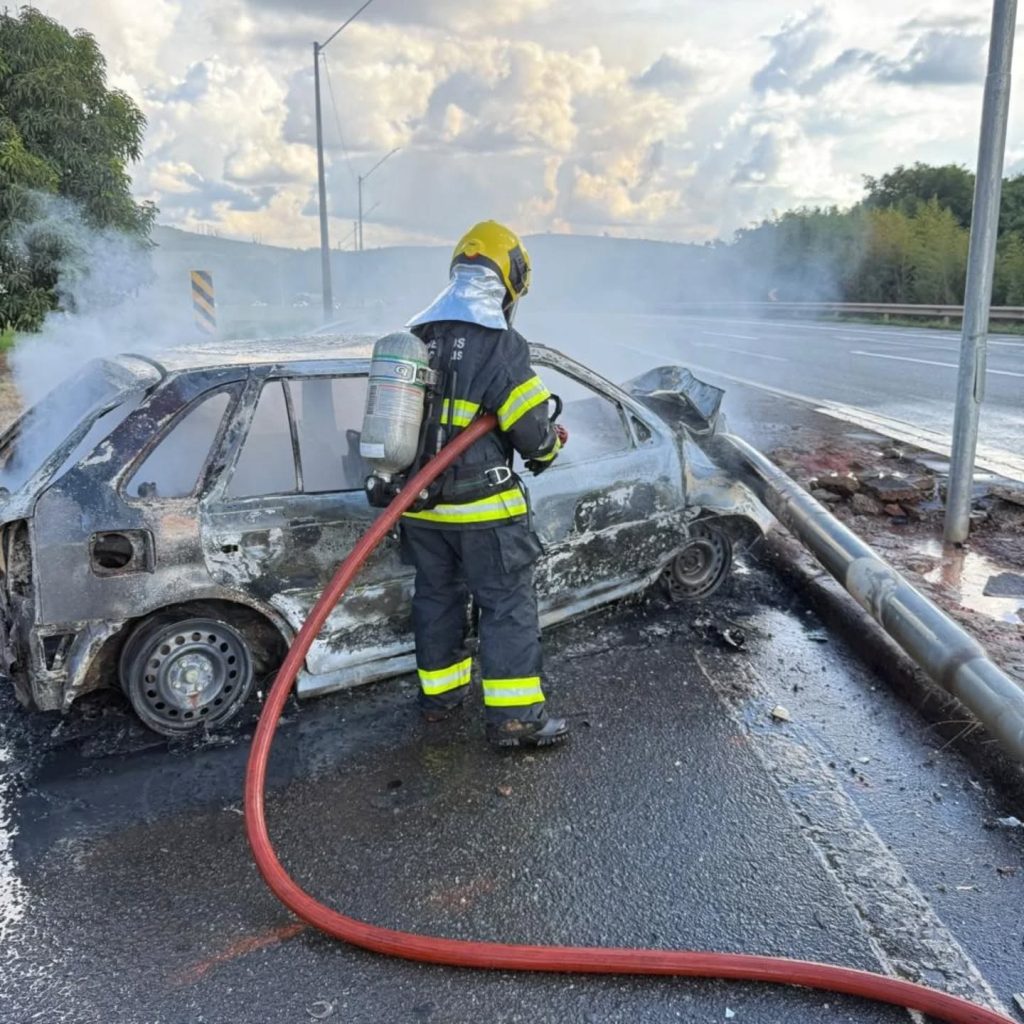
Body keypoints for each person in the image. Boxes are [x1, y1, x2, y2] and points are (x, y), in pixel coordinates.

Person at [400, 220, 569, 748]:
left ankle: (440, 700)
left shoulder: (417, 337)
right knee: (507, 606)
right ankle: (515, 719)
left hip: (420, 508)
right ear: (509, 280)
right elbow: (533, 435)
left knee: (436, 600)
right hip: (484, 513)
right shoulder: (501, 344)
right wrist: (551, 446)